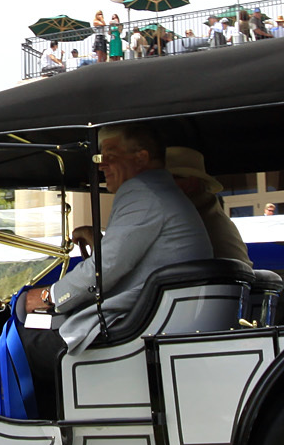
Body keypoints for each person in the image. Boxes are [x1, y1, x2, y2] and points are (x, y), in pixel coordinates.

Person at [17, 123, 210, 370]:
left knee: (18, 345)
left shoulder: (141, 191)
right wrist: (99, 242)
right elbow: (125, 258)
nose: (101, 165)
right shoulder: (164, 192)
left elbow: (105, 268)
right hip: (163, 321)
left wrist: (46, 296)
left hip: (135, 328)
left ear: (141, 158)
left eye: (110, 156)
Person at [164, 147, 249, 266]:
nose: (158, 186)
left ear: (190, 183)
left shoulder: (187, 217)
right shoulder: (207, 209)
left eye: (165, 179)